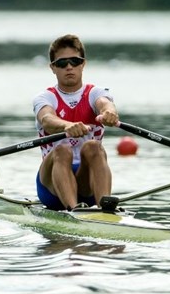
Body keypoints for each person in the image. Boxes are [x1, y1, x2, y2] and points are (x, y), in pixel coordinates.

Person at [33, 34, 119, 211]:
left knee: (93, 146)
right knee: (62, 150)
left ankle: (106, 209)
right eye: (62, 63)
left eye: (75, 61)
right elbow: (47, 119)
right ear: (53, 68)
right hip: (51, 188)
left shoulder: (96, 93)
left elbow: (105, 104)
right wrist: (66, 126)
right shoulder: (45, 97)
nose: (69, 67)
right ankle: (74, 210)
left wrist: (109, 113)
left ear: (83, 64)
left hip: (87, 183)